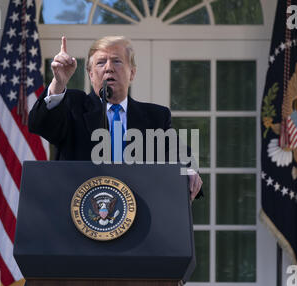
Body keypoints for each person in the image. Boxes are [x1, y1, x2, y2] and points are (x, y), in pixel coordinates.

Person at [28, 35, 202, 200]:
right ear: (90, 74)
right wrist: (58, 83)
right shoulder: (73, 105)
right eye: (101, 62)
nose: (108, 67)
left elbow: (178, 152)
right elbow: (39, 124)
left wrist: (188, 170)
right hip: (80, 212)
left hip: (138, 215)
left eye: (117, 61)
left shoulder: (155, 116)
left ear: (132, 73)